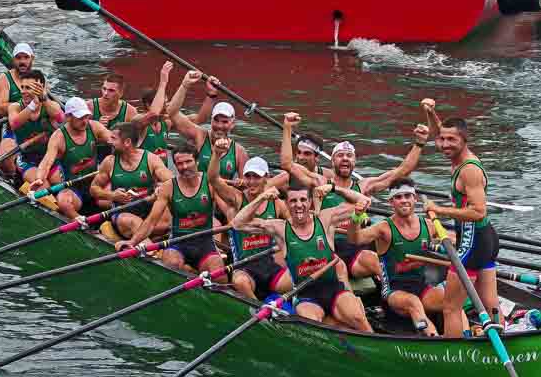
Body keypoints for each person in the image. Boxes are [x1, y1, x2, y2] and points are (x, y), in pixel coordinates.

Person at [280, 111, 428, 279]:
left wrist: (419, 143)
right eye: (340, 156)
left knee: (390, 249)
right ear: (332, 161)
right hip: (331, 246)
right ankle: (394, 287)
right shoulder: (320, 182)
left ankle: (398, 287)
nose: (345, 159)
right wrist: (287, 128)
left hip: (357, 243)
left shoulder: (364, 186)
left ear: (354, 162)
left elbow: (403, 171)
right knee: (373, 260)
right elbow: (287, 164)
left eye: (349, 156)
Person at [233, 182, 373, 332]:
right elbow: (238, 224)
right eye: (293, 201)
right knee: (313, 327)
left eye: (303, 200)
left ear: (310, 202)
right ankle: (334, 324)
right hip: (306, 296)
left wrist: (333, 188)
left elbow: (364, 201)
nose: (298, 205)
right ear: (286, 204)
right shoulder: (279, 228)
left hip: (333, 290)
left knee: (358, 318)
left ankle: (367, 338)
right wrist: (261, 198)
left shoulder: (325, 219)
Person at [421, 100, 501, 330]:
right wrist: (431, 112)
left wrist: (438, 210)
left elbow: (478, 211)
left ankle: (451, 353)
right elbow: (439, 131)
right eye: (442, 139)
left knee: (451, 307)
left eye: (451, 140)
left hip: (472, 240)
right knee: (489, 302)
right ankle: (503, 339)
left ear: (464, 140)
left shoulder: (469, 170)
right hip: (486, 238)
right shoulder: (455, 154)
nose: (444, 144)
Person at [354, 183, 446, 336]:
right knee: (413, 303)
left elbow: (453, 240)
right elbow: (355, 238)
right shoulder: (384, 228)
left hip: (421, 288)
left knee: (451, 301)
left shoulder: (429, 225)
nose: (403, 200)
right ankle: (433, 340)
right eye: (398, 197)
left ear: (414, 198)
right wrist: (355, 217)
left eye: (407, 196)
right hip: (393, 293)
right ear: (391, 202)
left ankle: (465, 338)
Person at [205, 141, 293, 301]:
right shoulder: (237, 198)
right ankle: (258, 308)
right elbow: (213, 178)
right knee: (239, 282)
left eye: (256, 177)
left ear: (266, 178)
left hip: (268, 265)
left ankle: (288, 303)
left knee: (297, 275)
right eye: (248, 177)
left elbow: (293, 227)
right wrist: (217, 154)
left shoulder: (277, 203)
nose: (251, 182)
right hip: (243, 267)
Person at [123, 143, 225, 277]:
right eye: (179, 164)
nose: (184, 167)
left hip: (205, 243)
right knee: (171, 267)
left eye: (188, 162)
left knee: (220, 276)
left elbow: (228, 210)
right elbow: (151, 221)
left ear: (197, 161)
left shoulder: (210, 183)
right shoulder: (168, 187)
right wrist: (132, 242)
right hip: (177, 243)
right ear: (175, 165)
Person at [31, 97, 116, 219]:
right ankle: (81, 222)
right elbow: (47, 162)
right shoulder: (58, 137)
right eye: (80, 118)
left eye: (86, 116)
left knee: (120, 191)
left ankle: (114, 219)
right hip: (74, 188)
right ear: (68, 117)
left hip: (96, 182)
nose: (85, 121)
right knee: (63, 202)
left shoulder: (94, 127)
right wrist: (39, 179)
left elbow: (114, 140)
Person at [90, 119, 173, 239]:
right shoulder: (109, 162)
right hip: (123, 214)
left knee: (167, 218)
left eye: (113, 138)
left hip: (148, 209)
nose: (108, 141)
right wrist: (112, 195)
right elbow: (93, 189)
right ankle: (152, 254)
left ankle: (155, 238)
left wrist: (161, 188)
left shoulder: (150, 159)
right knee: (134, 222)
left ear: (127, 142)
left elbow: (172, 181)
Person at [166, 69, 249, 179]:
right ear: (211, 121)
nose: (219, 125)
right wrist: (185, 85)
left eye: (225, 122)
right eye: (216, 120)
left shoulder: (239, 151)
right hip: (198, 193)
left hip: (221, 195)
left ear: (232, 124)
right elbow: (172, 112)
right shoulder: (200, 136)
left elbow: (247, 185)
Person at [1, 69, 62, 183]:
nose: (23, 91)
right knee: (43, 186)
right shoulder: (15, 107)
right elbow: (14, 124)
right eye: (22, 87)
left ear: (41, 88)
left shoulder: (50, 106)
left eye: (28, 88)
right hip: (28, 160)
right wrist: (33, 104)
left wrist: (44, 99)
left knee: (60, 184)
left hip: (51, 159)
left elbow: (61, 119)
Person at [0, 41, 41, 115]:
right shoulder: (3, 79)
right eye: (18, 58)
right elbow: (1, 109)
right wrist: (25, 104)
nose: (22, 61)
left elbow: (45, 100)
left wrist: (44, 98)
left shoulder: (38, 76)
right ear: (13, 60)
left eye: (26, 57)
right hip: (15, 121)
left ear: (32, 58)